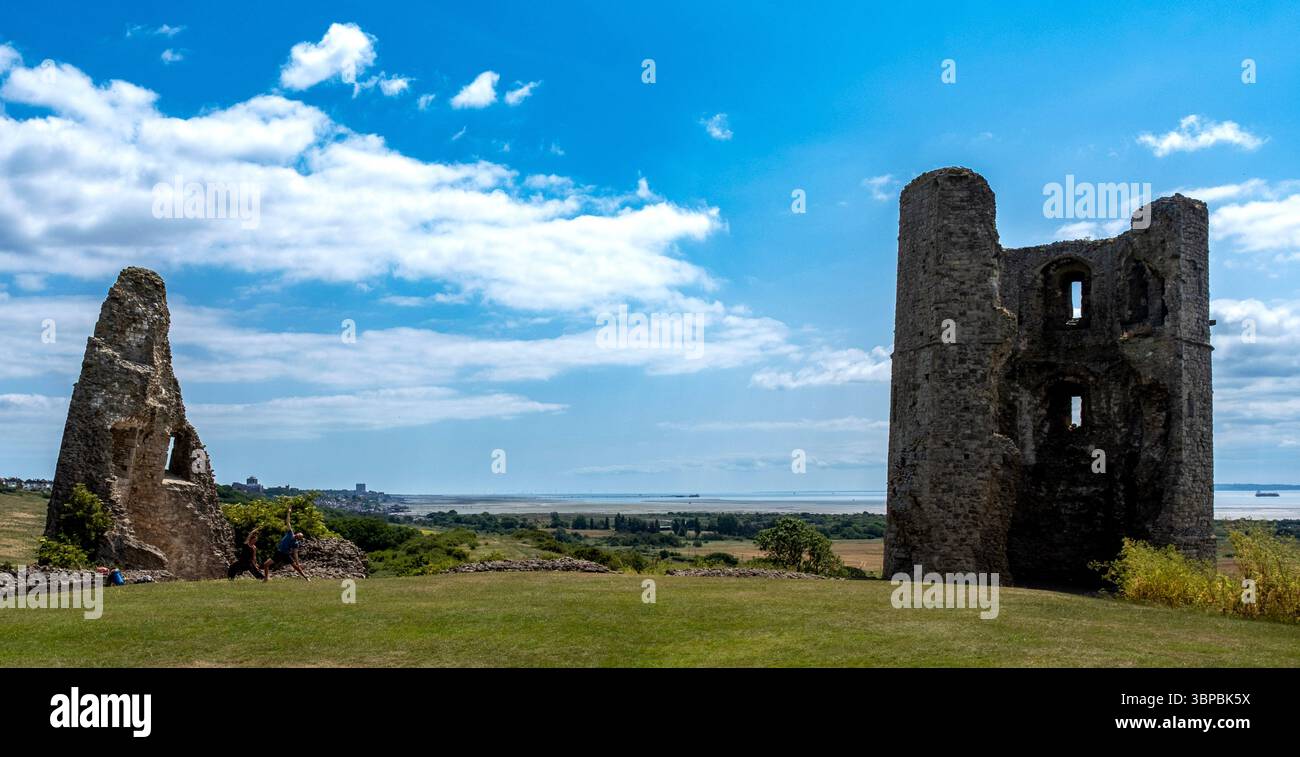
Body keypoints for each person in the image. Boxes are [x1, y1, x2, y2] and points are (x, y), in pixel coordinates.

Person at [262, 505, 310, 581]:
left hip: (286, 554)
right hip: (279, 552)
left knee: (296, 567)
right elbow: (288, 522)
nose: (298, 535)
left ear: (299, 538)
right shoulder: (290, 533)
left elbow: (295, 553)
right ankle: (266, 578)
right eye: (298, 534)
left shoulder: (296, 543)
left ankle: (306, 577)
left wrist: (297, 563)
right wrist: (288, 512)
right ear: (297, 533)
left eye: (299, 536)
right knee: (266, 564)